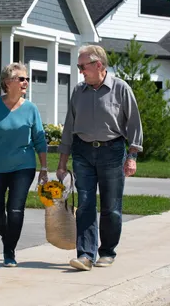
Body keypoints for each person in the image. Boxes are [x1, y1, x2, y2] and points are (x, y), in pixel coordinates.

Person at [57, 45, 143, 271]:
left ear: (98, 65)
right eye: (79, 67)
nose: (80, 71)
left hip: (112, 151)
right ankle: (85, 255)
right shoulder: (78, 91)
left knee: (111, 206)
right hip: (82, 152)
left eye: (82, 66)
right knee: (85, 204)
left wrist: (132, 155)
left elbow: (134, 123)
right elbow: (69, 126)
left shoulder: (121, 89)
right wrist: (62, 161)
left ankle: (107, 251)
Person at [0, 63, 48, 267]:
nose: (26, 83)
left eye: (27, 79)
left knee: (15, 209)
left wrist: (44, 168)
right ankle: (8, 239)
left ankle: (9, 250)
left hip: (23, 166)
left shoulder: (31, 109)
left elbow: (39, 139)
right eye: (21, 79)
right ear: (7, 82)